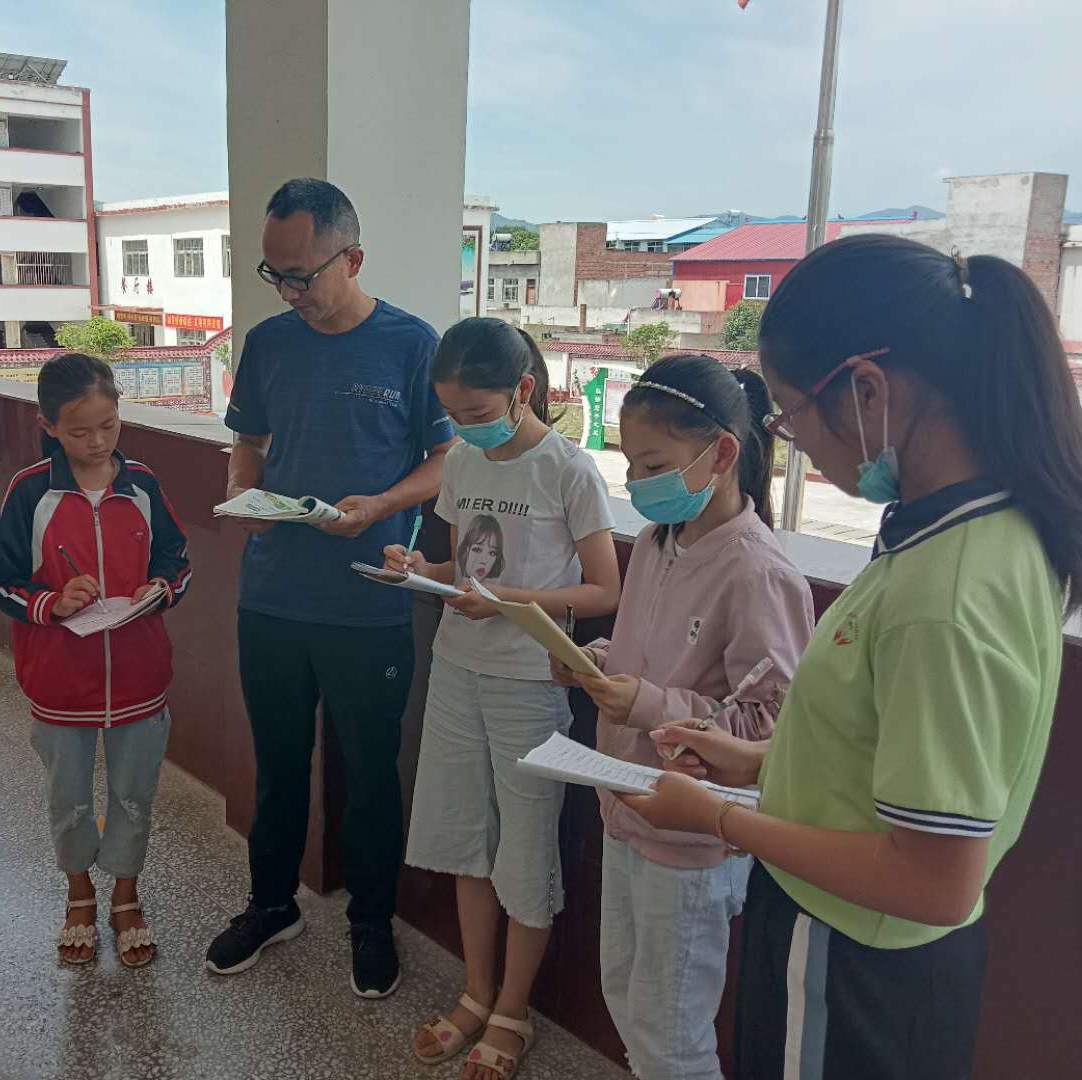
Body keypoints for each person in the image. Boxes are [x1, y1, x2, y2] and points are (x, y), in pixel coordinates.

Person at [626, 235, 1082, 1079]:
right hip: (850, 935)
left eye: (791, 418)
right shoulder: (962, 527)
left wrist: (720, 817)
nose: (793, 445)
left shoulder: (947, 591)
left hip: (852, 954)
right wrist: (760, 760)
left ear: (868, 389)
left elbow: (933, 877)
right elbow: (887, 747)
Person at [207, 178, 457, 997]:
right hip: (273, 594)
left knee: (370, 771)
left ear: (353, 258)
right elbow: (247, 440)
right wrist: (246, 496)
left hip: (367, 595)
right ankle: (270, 905)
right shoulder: (271, 342)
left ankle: (370, 922)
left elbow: (446, 459)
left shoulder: (412, 344)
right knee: (278, 765)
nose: (288, 292)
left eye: (302, 276)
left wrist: (382, 505)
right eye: (273, 275)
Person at [553, 355, 815, 1080]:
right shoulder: (661, 544)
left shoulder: (758, 571)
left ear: (723, 453)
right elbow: (649, 651)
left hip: (694, 839)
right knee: (628, 998)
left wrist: (646, 702)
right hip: (626, 807)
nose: (637, 483)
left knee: (672, 1029)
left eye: (654, 463)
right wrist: (597, 660)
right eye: (630, 464)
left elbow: (771, 727)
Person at [388, 319, 620, 1078]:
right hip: (457, 668)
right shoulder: (461, 462)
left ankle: (512, 1010)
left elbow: (603, 587)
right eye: (454, 414)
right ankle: (476, 991)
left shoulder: (568, 469)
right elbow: (462, 562)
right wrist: (419, 565)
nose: (466, 427)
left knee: (524, 850)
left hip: (529, 684)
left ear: (525, 391)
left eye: (479, 412)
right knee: (465, 841)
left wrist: (508, 598)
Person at [0, 353, 190, 967]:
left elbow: (177, 560)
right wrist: (51, 601)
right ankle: (79, 894)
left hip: (139, 675)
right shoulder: (31, 492)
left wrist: (162, 589)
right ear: (48, 425)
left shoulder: (143, 485)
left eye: (109, 426)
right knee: (67, 795)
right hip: (58, 681)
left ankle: (126, 894)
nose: (97, 442)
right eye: (79, 431)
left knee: (133, 795)